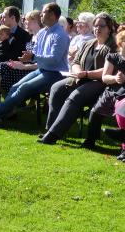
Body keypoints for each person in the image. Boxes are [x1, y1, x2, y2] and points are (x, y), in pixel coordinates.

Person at [0, 3, 70, 127]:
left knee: (24, 87)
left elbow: (54, 59)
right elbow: (36, 54)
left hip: (55, 74)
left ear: (52, 15)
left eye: (43, 12)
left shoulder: (60, 35)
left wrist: (32, 57)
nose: (41, 15)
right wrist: (28, 57)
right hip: (41, 69)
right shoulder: (42, 33)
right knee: (16, 86)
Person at [39, 13, 116, 144]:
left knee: (76, 96)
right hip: (81, 77)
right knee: (56, 88)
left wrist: (86, 74)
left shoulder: (114, 46)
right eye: (95, 26)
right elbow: (75, 61)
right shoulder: (88, 43)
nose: (97, 29)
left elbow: (108, 70)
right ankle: (50, 128)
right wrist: (78, 71)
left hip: (101, 82)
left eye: (101, 26)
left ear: (109, 28)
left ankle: (53, 134)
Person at [0, 10, 42, 108]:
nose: (1, 19)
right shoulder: (31, 36)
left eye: (4, 17)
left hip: (27, 68)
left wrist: (24, 61)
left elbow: (16, 55)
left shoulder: (26, 35)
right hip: (20, 65)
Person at [80, 30, 125, 151]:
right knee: (95, 112)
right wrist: (115, 78)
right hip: (112, 89)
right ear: (120, 43)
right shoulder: (113, 57)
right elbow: (105, 77)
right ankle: (91, 140)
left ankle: (123, 148)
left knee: (122, 112)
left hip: (123, 94)